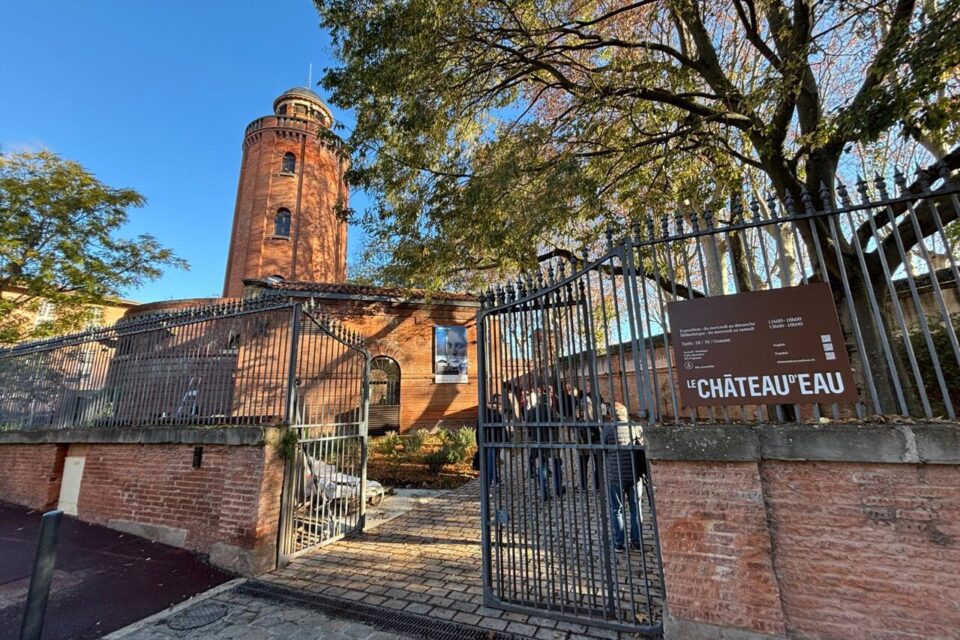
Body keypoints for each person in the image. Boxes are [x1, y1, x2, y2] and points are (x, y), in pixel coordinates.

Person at [603, 402, 643, 551]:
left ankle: (619, 543)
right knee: (636, 508)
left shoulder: (608, 429)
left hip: (615, 475)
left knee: (616, 510)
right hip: (634, 474)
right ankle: (637, 541)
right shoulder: (634, 427)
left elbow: (602, 448)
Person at [577, 383, 604, 491]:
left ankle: (583, 485)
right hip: (597, 434)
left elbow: (579, 416)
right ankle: (598, 485)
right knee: (598, 463)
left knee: (583, 462)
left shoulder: (583, 401)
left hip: (585, 436)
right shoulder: (599, 399)